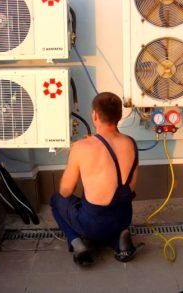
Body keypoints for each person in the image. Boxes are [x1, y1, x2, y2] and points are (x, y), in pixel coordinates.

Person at [51, 92, 140, 266]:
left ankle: (77, 242)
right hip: (123, 215)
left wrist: (76, 157)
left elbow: (65, 191)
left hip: (92, 223)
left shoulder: (82, 147)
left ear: (94, 115)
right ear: (119, 116)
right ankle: (119, 239)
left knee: (56, 199)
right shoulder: (131, 142)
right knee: (114, 216)